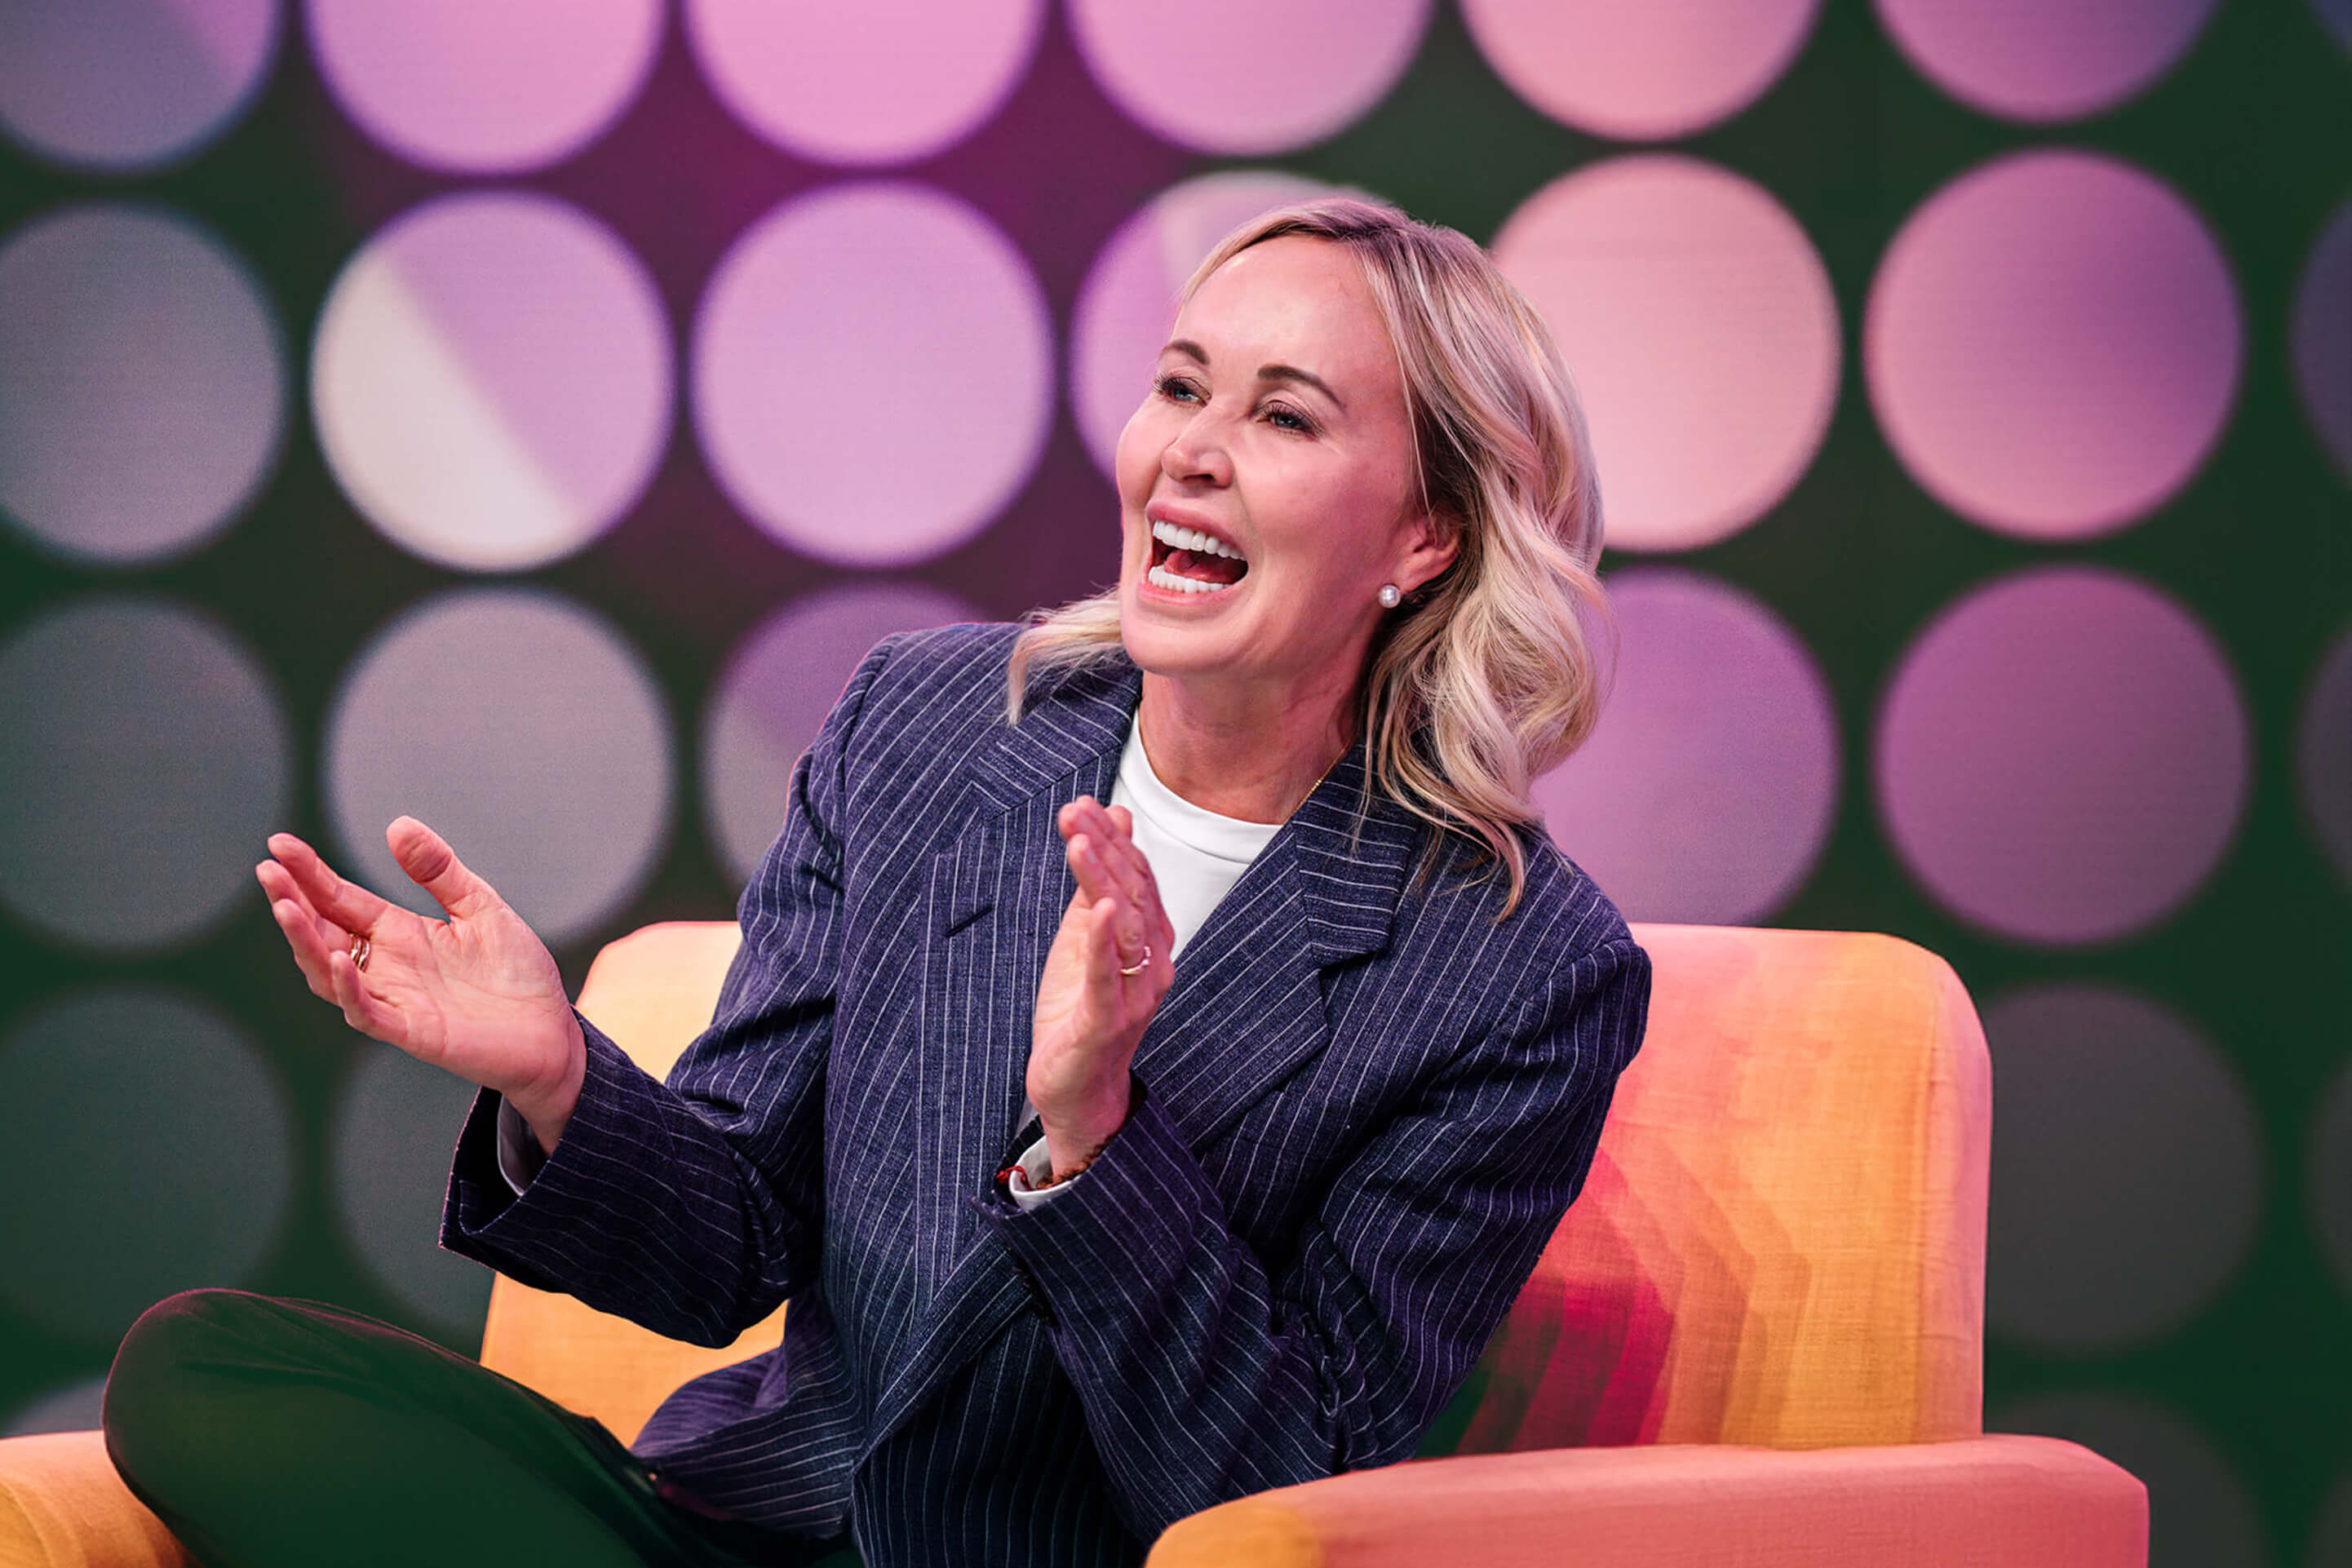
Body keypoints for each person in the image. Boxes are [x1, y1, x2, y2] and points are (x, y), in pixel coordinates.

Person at [102, 197, 1652, 1568]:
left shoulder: (1515, 960)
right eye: (1179, 386)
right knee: (207, 1368)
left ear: (1428, 535)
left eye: (1285, 418)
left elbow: (1286, 1491)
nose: (1189, 446)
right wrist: (564, 1078)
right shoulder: (930, 721)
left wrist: (1095, 1142)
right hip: (735, 1526)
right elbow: (731, 1248)